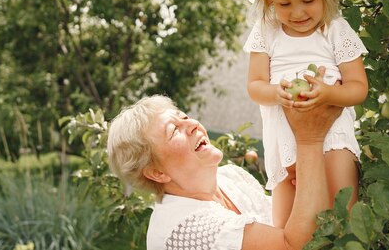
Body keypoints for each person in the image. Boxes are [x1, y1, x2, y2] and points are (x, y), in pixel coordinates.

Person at [106, 90, 343, 250]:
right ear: (157, 173)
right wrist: (310, 139)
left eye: (184, 116)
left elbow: (290, 224)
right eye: (173, 130)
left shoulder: (231, 177)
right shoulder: (184, 227)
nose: (191, 124)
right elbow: (294, 245)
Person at [243, 0, 369, 227]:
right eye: (285, 4)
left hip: (332, 132)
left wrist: (328, 94)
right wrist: (277, 93)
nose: (297, 13)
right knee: (287, 224)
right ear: (270, 1)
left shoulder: (336, 29)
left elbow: (358, 87)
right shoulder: (267, 31)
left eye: (308, 1)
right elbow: (255, 85)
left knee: (343, 212)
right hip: (283, 135)